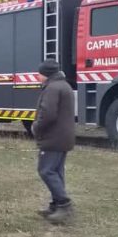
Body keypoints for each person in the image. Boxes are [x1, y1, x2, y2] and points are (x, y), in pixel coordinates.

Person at [32, 59, 75, 224]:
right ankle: (56, 205)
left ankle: (64, 205)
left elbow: (48, 114)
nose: (38, 76)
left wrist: (36, 127)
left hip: (53, 138)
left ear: (46, 74)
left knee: (46, 171)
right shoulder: (63, 85)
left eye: (40, 73)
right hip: (63, 138)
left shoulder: (52, 88)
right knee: (56, 171)